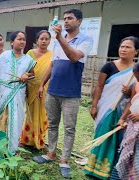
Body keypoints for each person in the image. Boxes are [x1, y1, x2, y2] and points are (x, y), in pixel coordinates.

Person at [32, 9, 93, 178]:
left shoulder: (85, 40)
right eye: (64, 18)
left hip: (71, 93)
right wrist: (42, 85)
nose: (66, 21)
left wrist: (58, 37)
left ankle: (64, 160)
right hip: (53, 91)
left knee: (69, 128)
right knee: (52, 124)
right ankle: (51, 153)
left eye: (70, 18)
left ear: (79, 21)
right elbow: (52, 65)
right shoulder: (58, 41)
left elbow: (74, 57)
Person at [84, 36, 139, 179]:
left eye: (128, 47)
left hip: (124, 111)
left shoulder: (136, 70)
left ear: (136, 51)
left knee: (119, 139)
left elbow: (134, 96)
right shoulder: (108, 66)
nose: (123, 49)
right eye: (122, 46)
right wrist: (94, 105)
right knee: (101, 136)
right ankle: (93, 168)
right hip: (106, 108)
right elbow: (99, 86)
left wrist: (128, 93)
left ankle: (111, 171)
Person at [0, 31, 36, 154]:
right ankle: (0, 148)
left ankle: (12, 149)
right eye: (19, 39)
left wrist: (27, 74)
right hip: (3, 93)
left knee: (16, 120)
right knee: (2, 119)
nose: (22, 42)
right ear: (12, 42)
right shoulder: (3, 57)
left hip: (18, 93)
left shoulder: (28, 59)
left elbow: (33, 74)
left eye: (24, 39)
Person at [20, 30, 53, 149]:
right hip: (31, 86)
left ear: (50, 41)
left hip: (45, 87)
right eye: (41, 38)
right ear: (37, 40)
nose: (44, 41)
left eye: (46, 39)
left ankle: (40, 139)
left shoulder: (52, 55)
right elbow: (25, 70)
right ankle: (26, 139)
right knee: (29, 112)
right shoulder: (30, 53)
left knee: (43, 113)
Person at [116, 63, 139, 179]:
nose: (137, 79)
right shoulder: (136, 84)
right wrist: (122, 118)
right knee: (130, 157)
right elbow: (130, 103)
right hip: (133, 128)